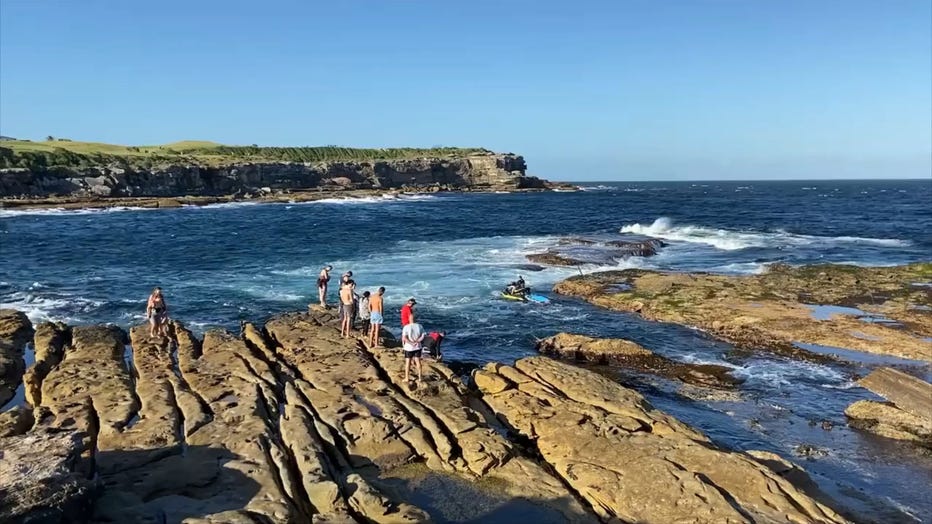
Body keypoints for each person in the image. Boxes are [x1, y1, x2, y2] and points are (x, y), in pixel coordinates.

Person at [401, 314, 426, 385]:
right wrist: (417, 341)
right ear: (416, 319)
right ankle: (420, 377)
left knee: (408, 362)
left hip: (409, 348)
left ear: (409, 319)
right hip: (418, 347)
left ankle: (407, 378)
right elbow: (423, 336)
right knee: (418, 361)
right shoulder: (420, 326)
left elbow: (404, 338)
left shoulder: (406, 327)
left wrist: (411, 343)